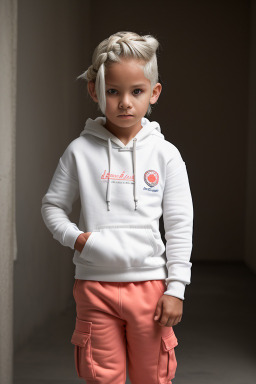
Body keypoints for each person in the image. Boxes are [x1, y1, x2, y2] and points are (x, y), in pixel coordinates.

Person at [41, 31, 194, 384]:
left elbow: (180, 223)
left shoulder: (166, 154)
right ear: (95, 91)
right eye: (113, 91)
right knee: (99, 377)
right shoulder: (79, 151)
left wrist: (176, 288)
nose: (125, 102)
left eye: (136, 91)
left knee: (153, 376)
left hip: (151, 289)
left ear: (153, 93)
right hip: (95, 286)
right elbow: (52, 207)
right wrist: (79, 240)